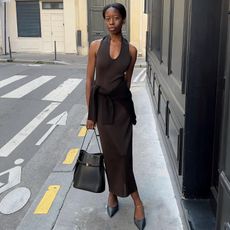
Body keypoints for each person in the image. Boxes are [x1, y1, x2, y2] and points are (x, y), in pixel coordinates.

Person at [85, 3, 146, 230]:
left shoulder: (131, 51)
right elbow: (89, 81)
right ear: (105, 20)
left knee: (124, 155)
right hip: (102, 110)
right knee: (111, 154)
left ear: (123, 20)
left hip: (121, 110)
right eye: (108, 18)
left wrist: (125, 106)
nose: (112, 22)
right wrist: (91, 114)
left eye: (116, 18)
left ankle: (136, 201)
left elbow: (127, 83)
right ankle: (112, 194)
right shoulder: (94, 46)